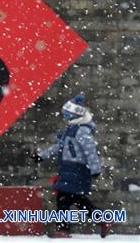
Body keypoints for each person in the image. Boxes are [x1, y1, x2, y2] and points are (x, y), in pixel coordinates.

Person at [35, 94, 111, 238]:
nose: (64, 117)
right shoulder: (71, 129)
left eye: (66, 114)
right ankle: (101, 219)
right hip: (68, 170)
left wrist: (95, 169)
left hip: (77, 170)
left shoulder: (82, 130)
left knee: (65, 199)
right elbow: (59, 147)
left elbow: (90, 151)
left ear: (73, 115)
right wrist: (42, 156)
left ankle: (63, 230)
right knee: (76, 200)